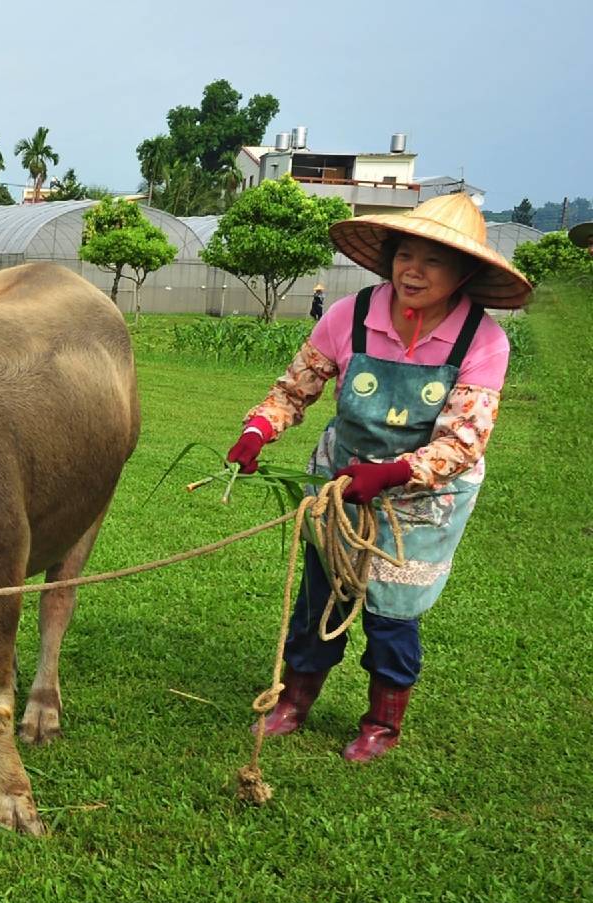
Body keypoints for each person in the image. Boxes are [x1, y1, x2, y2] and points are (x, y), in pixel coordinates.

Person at [226, 193, 531, 761]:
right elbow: (295, 389)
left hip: (423, 499)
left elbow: (464, 441)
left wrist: (393, 472)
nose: (413, 271)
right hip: (342, 481)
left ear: (464, 273)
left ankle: (381, 726)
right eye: (404, 255)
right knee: (324, 596)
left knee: (392, 612)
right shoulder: (349, 315)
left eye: (433, 261)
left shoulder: (483, 340)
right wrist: (259, 430)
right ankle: (294, 700)